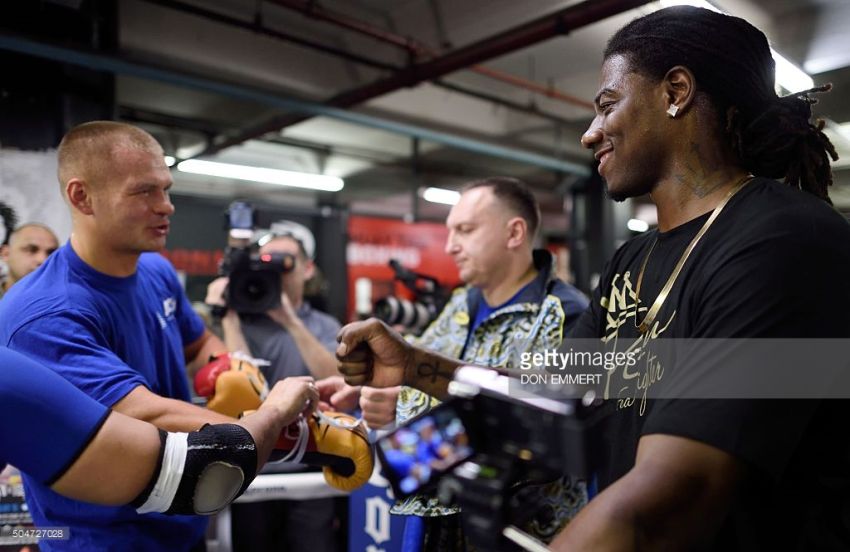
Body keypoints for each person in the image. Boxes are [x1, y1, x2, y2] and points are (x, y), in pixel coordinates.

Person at [335, 6, 850, 550]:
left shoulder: (782, 241)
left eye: (608, 106)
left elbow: (671, 500)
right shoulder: (634, 260)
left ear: (676, 92)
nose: (589, 135)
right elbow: (553, 386)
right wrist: (415, 364)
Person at [0, 121, 302, 551]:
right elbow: (146, 416)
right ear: (81, 196)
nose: (167, 206)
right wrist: (282, 422)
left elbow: (197, 345)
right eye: (145, 192)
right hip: (103, 540)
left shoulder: (155, 270)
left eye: (166, 188)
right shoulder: (44, 314)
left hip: (181, 526)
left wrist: (228, 371)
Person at [392, 177, 589, 548]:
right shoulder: (460, 304)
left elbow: (539, 434)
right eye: (450, 232)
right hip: (437, 523)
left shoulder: (565, 315)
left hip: (518, 531)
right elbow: (408, 380)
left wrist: (407, 399)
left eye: (465, 230)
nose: (450, 246)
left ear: (514, 233)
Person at [0, 346, 317, 513]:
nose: (168, 216)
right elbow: (205, 475)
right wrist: (275, 411)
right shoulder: (19, 353)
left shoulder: (154, 271)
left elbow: (200, 341)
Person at [205, 222, 343, 552]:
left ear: (307, 269)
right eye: (266, 260)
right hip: (253, 467)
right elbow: (242, 387)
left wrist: (289, 320)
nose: (276, 270)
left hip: (312, 468)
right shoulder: (241, 324)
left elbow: (336, 383)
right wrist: (228, 318)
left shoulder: (325, 326)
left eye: (285, 261)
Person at [0, 223, 57, 297]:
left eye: (51, 253)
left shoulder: (65, 304)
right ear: (6, 254)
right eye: (31, 250)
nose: (43, 260)